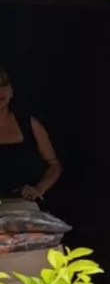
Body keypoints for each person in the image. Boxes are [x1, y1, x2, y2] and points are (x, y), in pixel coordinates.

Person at [0, 66, 62, 201]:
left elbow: (54, 165)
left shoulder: (29, 124)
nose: (1, 91)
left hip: (23, 204)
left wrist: (39, 188)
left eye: (4, 85)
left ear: (11, 91)